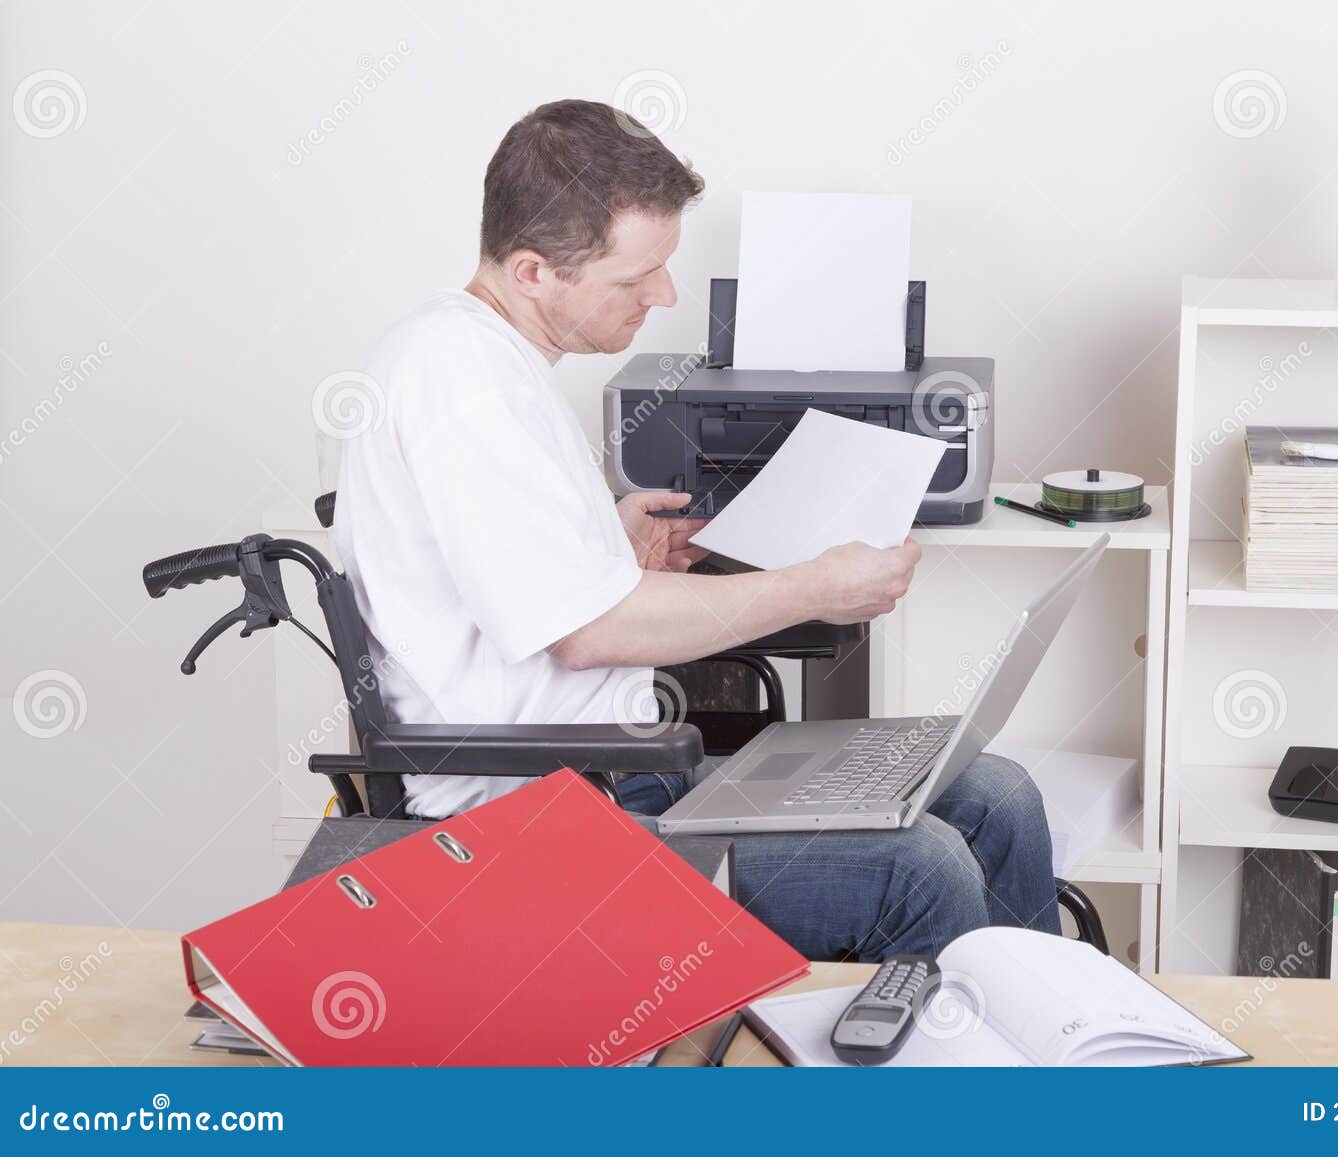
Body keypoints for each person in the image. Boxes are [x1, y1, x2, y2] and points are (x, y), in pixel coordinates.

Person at [333, 99, 1059, 959]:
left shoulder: (489, 361)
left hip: (626, 771)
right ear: (531, 270)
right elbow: (585, 633)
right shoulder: (462, 382)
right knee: (923, 867)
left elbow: (520, 578)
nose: (666, 293)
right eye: (635, 276)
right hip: (549, 821)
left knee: (997, 795)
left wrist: (610, 548)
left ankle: (1051, 1043)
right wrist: (815, 587)